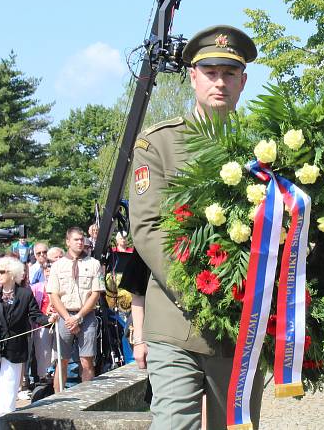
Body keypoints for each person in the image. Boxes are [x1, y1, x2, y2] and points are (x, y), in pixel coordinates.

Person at [129, 25, 263, 430]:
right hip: (176, 317)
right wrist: (200, 290)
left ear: (243, 81)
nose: (219, 81)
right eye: (210, 72)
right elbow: (148, 228)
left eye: (228, 73)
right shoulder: (159, 144)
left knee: (237, 427)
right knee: (173, 424)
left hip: (243, 324)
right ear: (192, 76)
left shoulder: (266, 145)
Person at [0, 256, 56, 415]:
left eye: (2, 272)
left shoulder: (24, 294)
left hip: (15, 345)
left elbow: (35, 316)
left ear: (12, 274)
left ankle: (5, 413)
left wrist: (48, 319)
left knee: (10, 381)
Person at [46, 227, 105, 392]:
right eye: (76, 239)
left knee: (87, 360)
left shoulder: (94, 264)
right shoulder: (58, 266)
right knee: (62, 360)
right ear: (68, 242)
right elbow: (53, 295)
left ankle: (87, 399)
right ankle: (59, 399)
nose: (80, 242)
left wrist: (79, 316)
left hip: (86, 315)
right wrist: (68, 318)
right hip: (64, 315)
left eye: (82, 239)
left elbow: (95, 293)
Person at [30, 246, 63, 381]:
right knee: (43, 354)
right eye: (47, 271)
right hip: (42, 325)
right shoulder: (36, 288)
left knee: (58, 355)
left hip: (60, 323)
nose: (49, 274)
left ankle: (57, 378)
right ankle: (43, 379)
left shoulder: (63, 286)